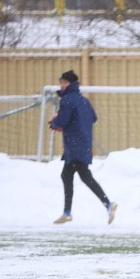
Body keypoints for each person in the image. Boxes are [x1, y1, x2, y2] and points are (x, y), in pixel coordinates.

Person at [49, 70, 117, 225]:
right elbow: (93, 117)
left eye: (64, 82)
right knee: (77, 175)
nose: (62, 85)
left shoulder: (67, 100)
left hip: (74, 144)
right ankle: (71, 212)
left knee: (74, 175)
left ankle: (105, 205)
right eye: (61, 82)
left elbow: (62, 121)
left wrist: (55, 122)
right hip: (83, 143)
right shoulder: (83, 100)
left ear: (71, 84)